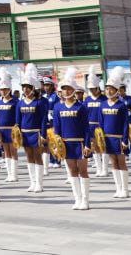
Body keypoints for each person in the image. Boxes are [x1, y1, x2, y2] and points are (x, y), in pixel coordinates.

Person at [52, 66, 91, 210]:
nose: (66, 91)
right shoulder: (58, 107)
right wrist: (56, 145)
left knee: (83, 171)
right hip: (66, 144)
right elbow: (57, 128)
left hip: (80, 143)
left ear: (74, 90)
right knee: (72, 171)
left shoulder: (81, 107)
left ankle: (85, 200)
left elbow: (86, 128)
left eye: (69, 89)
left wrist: (87, 145)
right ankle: (77, 199)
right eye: (64, 89)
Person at [99, 67, 131, 199]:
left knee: (121, 162)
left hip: (119, 138)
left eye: (111, 89)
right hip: (107, 138)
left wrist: (125, 140)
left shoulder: (121, 105)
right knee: (113, 162)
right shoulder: (102, 104)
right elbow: (100, 123)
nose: (108, 91)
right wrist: (100, 139)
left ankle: (125, 189)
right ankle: (118, 188)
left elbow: (125, 124)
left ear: (117, 90)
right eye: (107, 88)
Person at [16, 64, 48, 193]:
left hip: (36, 133)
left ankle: (39, 183)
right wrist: (17, 134)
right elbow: (18, 120)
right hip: (24, 133)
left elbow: (43, 119)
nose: (25, 90)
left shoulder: (39, 102)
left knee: (37, 156)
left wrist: (43, 134)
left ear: (32, 88)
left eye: (27, 87)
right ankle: (32, 182)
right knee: (29, 157)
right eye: (23, 87)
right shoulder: (20, 103)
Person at [0, 67, 19, 184]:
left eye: (5, 89)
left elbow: (17, 116)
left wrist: (17, 130)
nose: (3, 91)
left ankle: (14, 174)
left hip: (12, 129)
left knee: (13, 151)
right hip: (1, 130)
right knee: (6, 151)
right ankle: (9, 174)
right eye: (1, 90)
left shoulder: (15, 101)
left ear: (9, 89)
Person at [84, 67, 108, 179]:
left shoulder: (104, 99)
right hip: (90, 126)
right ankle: (98, 168)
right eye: (90, 89)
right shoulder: (87, 100)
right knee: (95, 147)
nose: (92, 90)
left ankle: (105, 169)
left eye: (94, 88)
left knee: (103, 146)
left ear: (98, 88)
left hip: (101, 125)